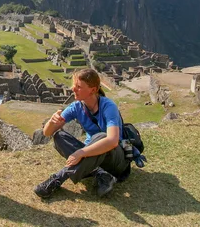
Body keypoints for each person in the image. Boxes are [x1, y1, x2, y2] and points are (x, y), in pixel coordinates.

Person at [33, 69, 130, 199]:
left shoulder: (108, 106)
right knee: (59, 136)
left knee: (101, 137)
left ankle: (58, 179)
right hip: (93, 155)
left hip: (115, 159)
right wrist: (52, 121)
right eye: (74, 85)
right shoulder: (76, 107)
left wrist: (81, 153)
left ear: (93, 89)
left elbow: (112, 141)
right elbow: (47, 132)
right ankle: (100, 173)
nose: (73, 89)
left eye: (79, 87)